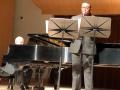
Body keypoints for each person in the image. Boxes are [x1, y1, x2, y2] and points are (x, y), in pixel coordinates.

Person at [70, 2, 96, 90]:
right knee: (75, 71)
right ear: (80, 8)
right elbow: (70, 33)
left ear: (90, 9)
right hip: (76, 46)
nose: (85, 9)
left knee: (88, 71)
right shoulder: (74, 18)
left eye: (87, 7)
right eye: (83, 7)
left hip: (88, 47)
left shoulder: (94, 19)